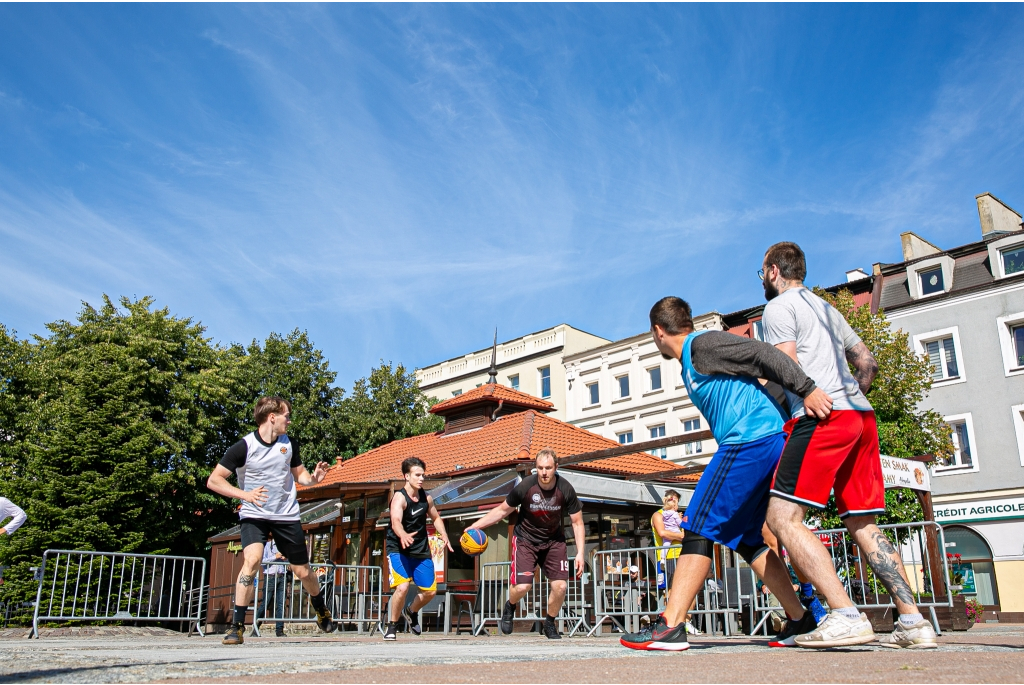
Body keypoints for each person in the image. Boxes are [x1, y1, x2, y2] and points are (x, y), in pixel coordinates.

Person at [620, 296, 834, 651]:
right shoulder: (694, 357)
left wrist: (807, 390)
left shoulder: (702, 345)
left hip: (748, 442)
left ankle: (671, 625)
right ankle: (800, 619)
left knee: (697, 523)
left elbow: (766, 355)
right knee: (748, 539)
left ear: (658, 331)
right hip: (764, 440)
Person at [760, 241, 937, 650]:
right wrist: (852, 396)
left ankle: (843, 614)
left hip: (823, 415)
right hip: (861, 415)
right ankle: (913, 622)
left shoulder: (778, 308)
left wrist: (758, 394)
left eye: (762, 274)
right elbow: (867, 363)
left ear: (773, 271)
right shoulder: (828, 309)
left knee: (782, 517)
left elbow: (787, 366)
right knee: (862, 521)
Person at [206, 396, 335, 645]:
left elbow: (302, 477)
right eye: (286, 415)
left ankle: (320, 607)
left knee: (302, 571)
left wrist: (316, 479)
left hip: (285, 515)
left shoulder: (289, 444)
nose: (289, 420)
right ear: (272, 417)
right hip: (254, 514)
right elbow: (214, 480)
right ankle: (237, 626)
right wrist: (245, 495)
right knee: (252, 560)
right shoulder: (243, 447)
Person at [466, 448, 586, 640]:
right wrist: (475, 526)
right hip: (526, 541)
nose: (544, 472)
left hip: (553, 541)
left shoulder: (565, 489)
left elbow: (577, 522)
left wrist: (580, 553)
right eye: (540, 468)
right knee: (522, 587)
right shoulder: (525, 487)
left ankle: (549, 624)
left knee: (561, 587)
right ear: (535, 468)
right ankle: (510, 605)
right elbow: (502, 511)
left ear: (556, 467)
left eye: (548, 468)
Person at [384, 457, 452, 641]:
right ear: (407, 476)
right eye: (417, 475)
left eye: (423, 475)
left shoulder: (426, 498)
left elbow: (436, 518)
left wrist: (444, 535)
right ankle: (392, 626)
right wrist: (403, 535)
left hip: (420, 549)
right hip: (398, 548)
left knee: (430, 592)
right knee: (403, 587)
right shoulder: (399, 498)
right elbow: (395, 521)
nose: (421, 478)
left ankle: (411, 611)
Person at [253, 533, 288, 637]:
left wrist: (286, 559)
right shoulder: (267, 546)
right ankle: (255, 627)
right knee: (266, 603)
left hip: (282, 576)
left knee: (281, 604)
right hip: (270, 576)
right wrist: (275, 557)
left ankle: (279, 630)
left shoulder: (283, 546)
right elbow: (262, 561)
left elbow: (289, 559)